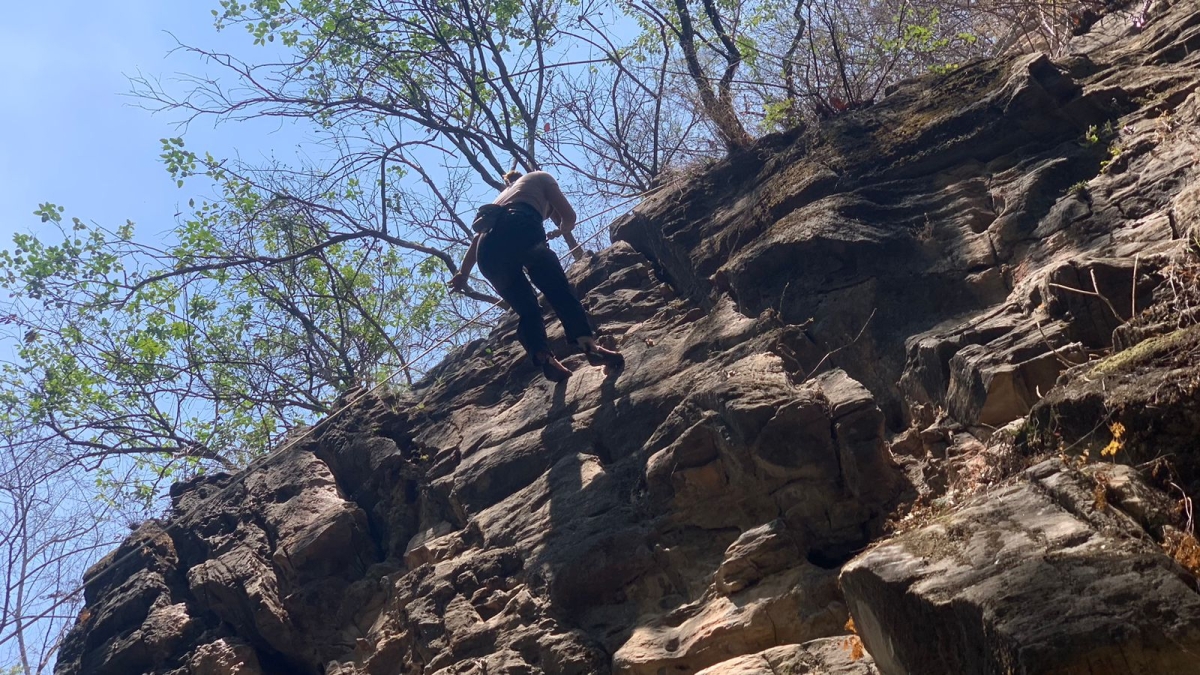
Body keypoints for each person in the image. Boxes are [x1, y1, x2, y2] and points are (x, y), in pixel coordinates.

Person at [450, 170, 623, 382]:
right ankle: (589, 346)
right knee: (558, 289)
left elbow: (477, 241)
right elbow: (568, 216)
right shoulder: (542, 177)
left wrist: (462, 274)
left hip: (487, 253)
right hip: (520, 225)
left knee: (527, 309)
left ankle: (544, 358)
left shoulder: (503, 197)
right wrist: (563, 229)